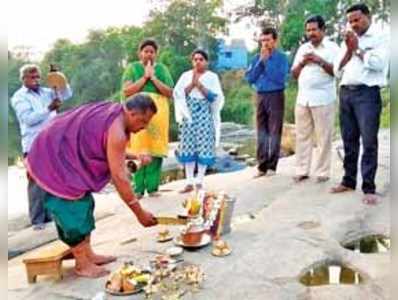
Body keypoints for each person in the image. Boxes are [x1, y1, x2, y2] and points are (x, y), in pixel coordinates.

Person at [25, 94, 159, 278]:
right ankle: (81, 263)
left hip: (63, 152)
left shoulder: (116, 114)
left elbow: (109, 146)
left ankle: (89, 254)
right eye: (142, 121)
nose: (143, 127)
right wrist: (139, 213)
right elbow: (119, 177)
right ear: (130, 112)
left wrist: (134, 156)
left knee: (86, 203)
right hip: (53, 158)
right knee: (72, 210)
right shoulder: (118, 129)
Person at [330, 3, 389, 205]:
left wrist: (358, 50)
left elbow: (380, 64)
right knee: (349, 140)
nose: (353, 24)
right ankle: (348, 181)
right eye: (350, 21)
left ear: (368, 17)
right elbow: (337, 70)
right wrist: (348, 50)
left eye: (357, 19)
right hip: (346, 93)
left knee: (369, 141)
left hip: (367, 94)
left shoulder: (381, 38)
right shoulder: (347, 40)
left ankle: (369, 188)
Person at [11, 64, 73, 230]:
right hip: (34, 143)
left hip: (52, 140)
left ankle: (51, 216)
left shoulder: (47, 91)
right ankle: (37, 220)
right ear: (23, 79)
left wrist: (58, 77)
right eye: (32, 77)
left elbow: (67, 93)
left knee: (52, 178)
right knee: (36, 181)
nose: (36, 80)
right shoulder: (19, 97)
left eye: (38, 76)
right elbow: (28, 119)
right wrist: (49, 108)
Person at [121, 39, 174, 199]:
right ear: (140, 53)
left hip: (157, 114)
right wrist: (144, 78)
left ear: (155, 54)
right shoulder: (132, 68)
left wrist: (154, 78)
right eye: (146, 51)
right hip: (137, 112)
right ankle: (138, 189)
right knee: (137, 148)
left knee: (155, 151)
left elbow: (170, 92)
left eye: (152, 51)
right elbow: (127, 90)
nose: (149, 54)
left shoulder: (162, 69)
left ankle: (153, 187)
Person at [291, 15, 340, 183]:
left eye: (314, 29)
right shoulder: (303, 48)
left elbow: (337, 72)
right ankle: (302, 170)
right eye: (308, 30)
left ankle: (322, 172)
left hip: (323, 99)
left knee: (323, 137)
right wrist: (303, 63)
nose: (311, 33)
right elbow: (294, 74)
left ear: (323, 30)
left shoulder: (333, 48)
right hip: (303, 98)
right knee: (302, 136)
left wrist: (319, 61)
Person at [173, 49, 224, 192]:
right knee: (188, 146)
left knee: (203, 146)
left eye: (201, 59)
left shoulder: (212, 77)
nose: (198, 62)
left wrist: (199, 85)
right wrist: (192, 83)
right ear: (192, 61)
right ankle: (189, 181)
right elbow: (178, 94)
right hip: (188, 115)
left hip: (204, 115)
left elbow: (215, 97)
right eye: (195, 59)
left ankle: (200, 180)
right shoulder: (185, 76)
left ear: (206, 62)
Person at [245, 27, 289, 178]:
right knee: (261, 130)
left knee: (274, 130)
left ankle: (272, 165)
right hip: (260, 95)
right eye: (262, 40)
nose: (265, 43)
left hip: (276, 94)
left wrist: (267, 62)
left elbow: (279, 77)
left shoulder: (281, 58)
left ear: (274, 41)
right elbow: (250, 78)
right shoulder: (256, 57)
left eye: (268, 40)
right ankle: (261, 165)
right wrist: (260, 62)